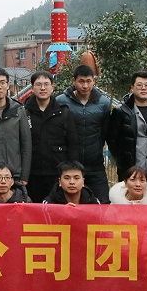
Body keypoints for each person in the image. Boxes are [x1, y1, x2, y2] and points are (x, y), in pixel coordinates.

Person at [56, 64, 113, 203]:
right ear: (74, 81)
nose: (85, 85)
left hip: (95, 165)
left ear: (94, 81)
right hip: (70, 166)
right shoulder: (61, 101)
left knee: (102, 204)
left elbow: (105, 133)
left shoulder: (104, 103)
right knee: (67, 206)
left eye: (88, 81)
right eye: (81, 81)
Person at [23, 71, 79, 202]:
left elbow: (73, 144)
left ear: (52, 87)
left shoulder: (64, 112)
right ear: (32, 88)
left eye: (46, 84)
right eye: (38, 85)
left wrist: (71, 171)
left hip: (57, 172)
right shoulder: (24, 112)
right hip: (32, 174)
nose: (43, 88)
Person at [108, 71, 147, 186]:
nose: (143, 88)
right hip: (130, 171)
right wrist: (122, 160)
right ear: (132, 88)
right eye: (139, 85)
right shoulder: (121, 111)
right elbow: (112, 140)